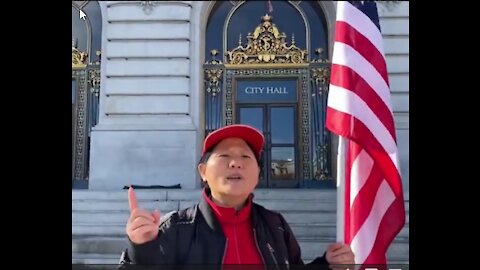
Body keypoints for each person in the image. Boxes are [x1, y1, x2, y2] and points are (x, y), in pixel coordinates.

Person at [121, 124, 355, 268]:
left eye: (246, 157)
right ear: (203, 172)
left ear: (258, 172)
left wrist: (327, 264)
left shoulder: (275, 225)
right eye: (224, 157)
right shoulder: (176, 228)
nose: (236, 164)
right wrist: (141, 248)